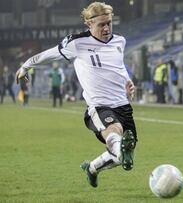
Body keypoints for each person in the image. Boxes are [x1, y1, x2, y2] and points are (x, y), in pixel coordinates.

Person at [16, 2, 137, 188]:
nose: (106, 28)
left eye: (109, 23)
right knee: (116, 135)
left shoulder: (119, 41)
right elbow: (49, 54)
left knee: (121, 154)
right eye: (101, 24)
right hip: (99, 106)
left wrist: (128, 83)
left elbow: (119, 66)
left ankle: (93, 168)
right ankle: (117, 148)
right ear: (89, 24)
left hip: (123, 105)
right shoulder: (77, 43)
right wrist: (26, 66)